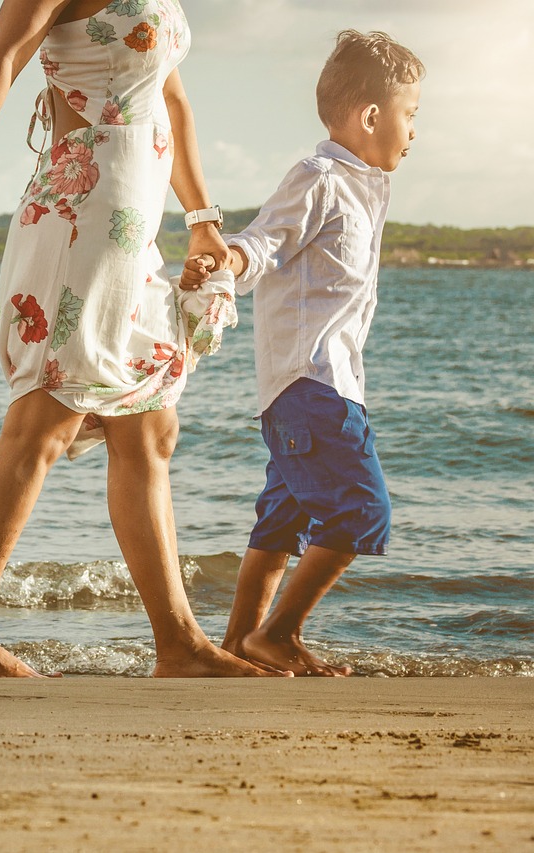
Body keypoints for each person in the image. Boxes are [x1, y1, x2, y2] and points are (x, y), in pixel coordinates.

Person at [0, 0, 284, 677]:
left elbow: (171, 96)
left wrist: (203, 219)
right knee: (44, 418)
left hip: (135, 227)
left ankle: (178, 643)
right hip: (80, 208)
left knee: (149, 425)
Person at [184, 30, 424, 676]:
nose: (414, 131)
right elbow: (262, 243)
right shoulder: (317, 179)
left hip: (313, 389)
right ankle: (279, 633)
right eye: (412, 115)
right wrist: (225, 260)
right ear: (372, 116)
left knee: (280, 522)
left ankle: (238, 645)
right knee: (363, 509)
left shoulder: (367, 189)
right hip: (311, 387)